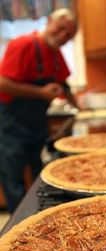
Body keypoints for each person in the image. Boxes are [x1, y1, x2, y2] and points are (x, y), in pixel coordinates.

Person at [0, 8, 78, 213]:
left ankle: (40, 219)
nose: (63, 36)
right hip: (11, 124)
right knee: (14, 180)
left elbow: (64, 84)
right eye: (61, 29)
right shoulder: (22, 44)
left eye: (68, 35)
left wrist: (79, 107)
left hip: (37, 124)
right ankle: (18, 225)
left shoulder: (54, 54)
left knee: (39, 178)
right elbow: (3, 84)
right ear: (50, 21)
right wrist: (41, 93)